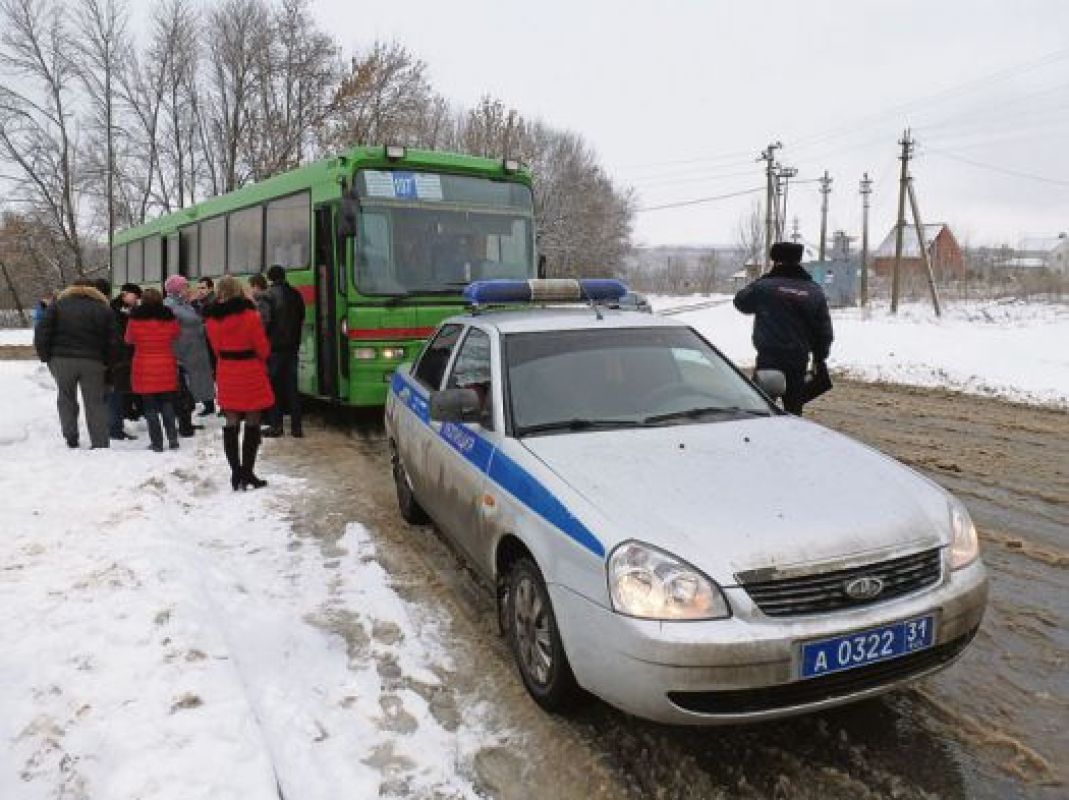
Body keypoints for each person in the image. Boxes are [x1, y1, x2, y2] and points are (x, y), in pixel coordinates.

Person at [733, 241, 834, 416]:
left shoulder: (764, 287)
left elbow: (741, 302)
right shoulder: (814, 290)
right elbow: (824, 332)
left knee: (761, 410)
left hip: (769, 360)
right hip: (798, 361)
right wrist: (819, 359)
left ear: (775, 260)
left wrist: (763, 280)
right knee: (793, 412)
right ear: (798, 260)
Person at [203, 276, 275, 490]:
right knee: (253, 420)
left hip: (227, 369)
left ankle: (235, 473)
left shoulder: (211, 319)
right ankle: (248, 472)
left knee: (231, 421)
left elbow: (215, 349)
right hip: (250, 369)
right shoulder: (250, 315)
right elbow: (262, 348)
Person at [33, 278, 117, 449]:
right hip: (93, 361)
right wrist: (109, 362)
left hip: (61, 359)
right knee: (95, 402)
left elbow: (42, 332)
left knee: (66, 398)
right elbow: (113, 340)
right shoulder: (103, 308)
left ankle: (71, 436)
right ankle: (99, 442)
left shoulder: (57, 306)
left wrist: (46, 357)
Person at [125, 288, 181, 452]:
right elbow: (176, 334)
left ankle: (157, 443)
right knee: (167, 403)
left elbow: (128, 339)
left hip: (143, 365)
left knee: (150, 407)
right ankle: (173, 439)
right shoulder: (168, 315)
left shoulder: (135, 317)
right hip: (165, 363)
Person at [163, 275, 216, 431]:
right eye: (185, 287)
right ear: (177, 289)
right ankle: (183, 424)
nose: (189, 290)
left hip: (194, 351)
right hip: (182, 353)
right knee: (184, 390)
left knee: (190, 389)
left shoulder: (184, 304)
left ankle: (186, 421)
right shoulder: (170, 305)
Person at [263, 264, 305, 438]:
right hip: (292, 347)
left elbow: (265, 321)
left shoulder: (268, 296)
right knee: (292, 388)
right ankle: (297, 428)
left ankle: (276, 426)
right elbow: (302, 316)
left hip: (274, 349)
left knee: (274, 388)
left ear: (270, 278)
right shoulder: (295, 294)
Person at [108, 282, 143, 440]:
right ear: (126, 294)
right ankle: (118, 423)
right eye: (135, 296)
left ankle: (128, 415)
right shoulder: (115, 310)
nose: (137, 300)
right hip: (120, 356)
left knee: (126, 388)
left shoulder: (129, 309)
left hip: (127, 355)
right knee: (119, 390)